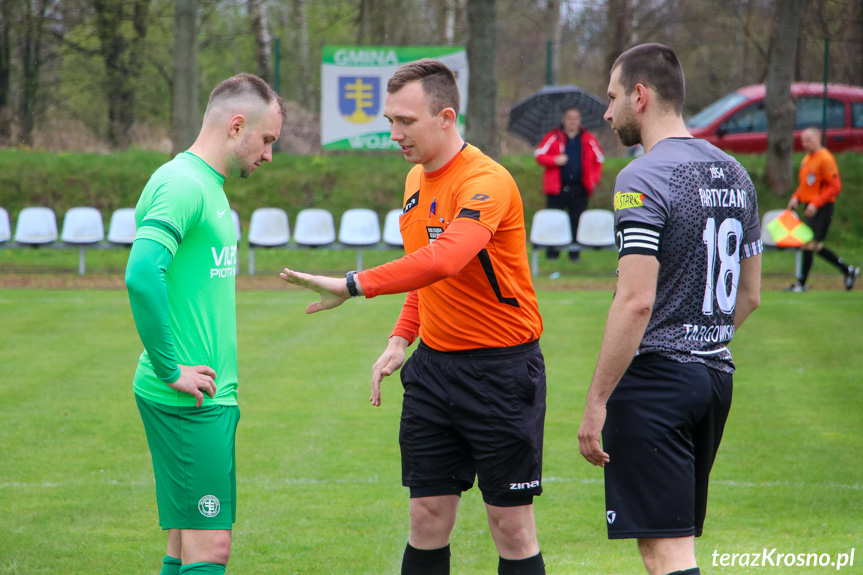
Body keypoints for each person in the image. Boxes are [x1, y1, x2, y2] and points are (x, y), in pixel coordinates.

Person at [280, 59, 547, 575]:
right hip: (433, 371)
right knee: (425, 519)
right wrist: (402, 338)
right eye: (389, 121)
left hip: (501, 373)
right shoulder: (413, 181)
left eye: (406, 121)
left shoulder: (487, 182)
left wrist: (353, 284)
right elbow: (426, 275)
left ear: (446, 117)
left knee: (511, 528)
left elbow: (446, 257)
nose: (394, 134)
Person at [577, 44, 762, 575]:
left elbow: (635, 302)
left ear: (641, 95)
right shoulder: (734, 174)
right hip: (714, 378)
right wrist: (700, 343)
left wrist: (597, 402)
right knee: (676, 545)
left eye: (612, 99)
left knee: (664, 553)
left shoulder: (642, 178)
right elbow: (749, 296)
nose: (607, 114)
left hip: (657, 380)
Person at [125, 73, 284, 575]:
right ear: (237, 126)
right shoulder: (184, 184)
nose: (268, 155)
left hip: (204, 398)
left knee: (182, 544)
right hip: (188, 400)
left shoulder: (204, 185)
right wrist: (172, 369)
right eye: (267, 140)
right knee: (210, 547)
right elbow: (141, 273)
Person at [784, 126, 859, 292]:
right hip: (811, 206)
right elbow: (805, 186)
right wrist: (795, 197)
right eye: (803, 140)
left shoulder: (825, 158)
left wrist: (815, 204)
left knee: (807, 243)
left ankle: (801, 284)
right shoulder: (807, 159)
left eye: (808, 140)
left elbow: (835, 186)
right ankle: (848, 271)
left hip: (822, 207)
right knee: (816, 246)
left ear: (818, 139)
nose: (804, 144)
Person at [534, 106, 604, 261]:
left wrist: (594, 179)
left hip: (580, 188)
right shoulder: (554, 136)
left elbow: (599, 159)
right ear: (564, 120)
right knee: (554, 220)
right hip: (556, 188)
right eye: (569, 118)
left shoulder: (588, 138)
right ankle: (552, 253)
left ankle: (574, 254)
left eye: (576, 118)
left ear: (580, 120)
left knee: (577, 220)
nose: (572, 121)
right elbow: (539, 155)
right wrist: (554, 159)